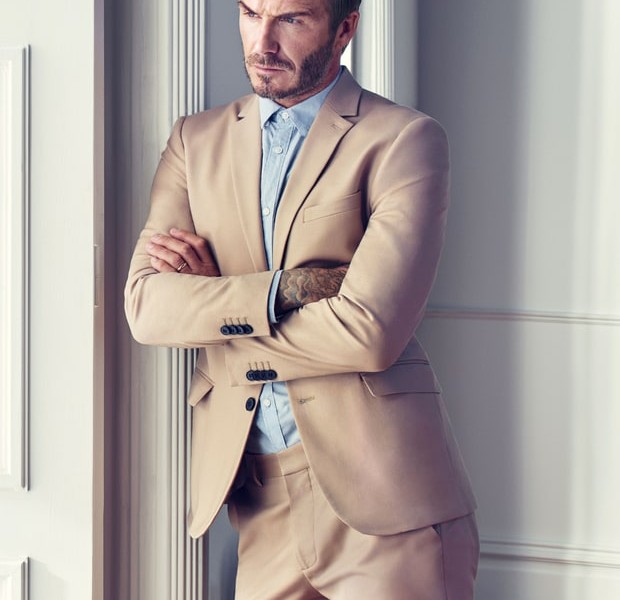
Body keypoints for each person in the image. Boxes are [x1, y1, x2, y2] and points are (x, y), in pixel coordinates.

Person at [125, 0, 478, 597]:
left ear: (345, 29)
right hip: (259, 504)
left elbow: (368, 333)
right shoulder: (194, 141)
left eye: (292, 19)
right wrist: (287, 289)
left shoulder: (404, 140)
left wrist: (216, 313)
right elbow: (146, 307)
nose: (262, 42)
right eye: (250, 12)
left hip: (387, 505)